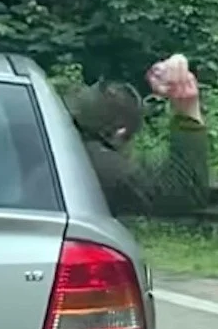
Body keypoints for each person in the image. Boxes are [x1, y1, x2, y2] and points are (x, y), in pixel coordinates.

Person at [66, 54, 210, 216]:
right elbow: (183, 193)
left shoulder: (53, 134)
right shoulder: (95, 165)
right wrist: (187, 110)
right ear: (120, 134)